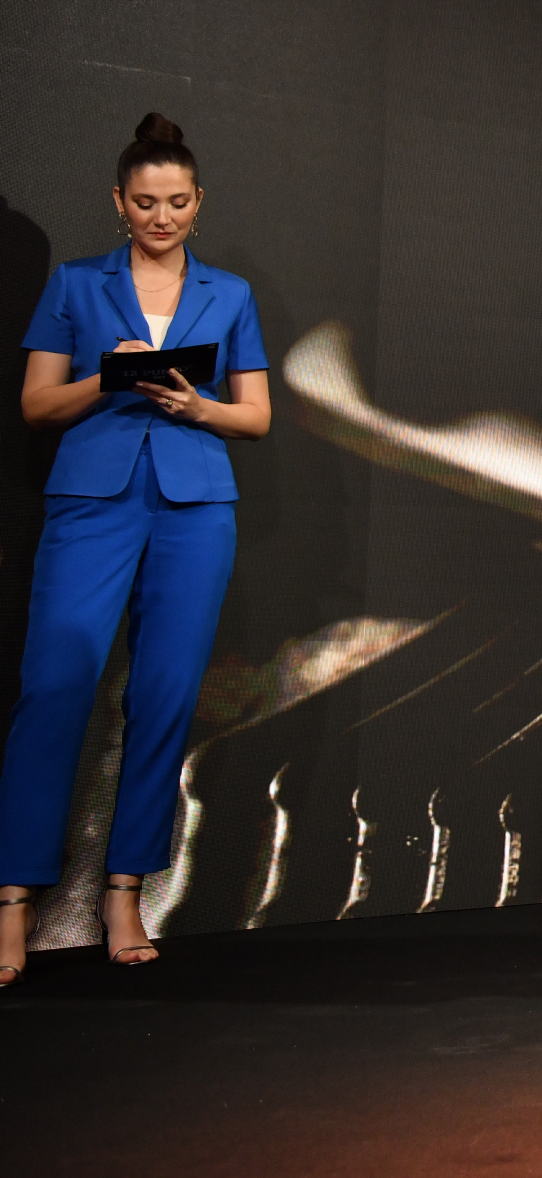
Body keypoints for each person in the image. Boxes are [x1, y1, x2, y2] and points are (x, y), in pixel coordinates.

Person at [1, 114, 272, 984]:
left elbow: (256, 415)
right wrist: (108, 375)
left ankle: (124, 893)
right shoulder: (77, 283)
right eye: (147, 202)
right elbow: (36, 405)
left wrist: (198, 406)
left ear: (199, 202)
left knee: (163, 697)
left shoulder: (229, 293)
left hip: (196, 507)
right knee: (54, 688)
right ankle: (15, 899)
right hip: (92, 501)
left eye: (178, 202)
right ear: (119, 202)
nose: (162, 216)